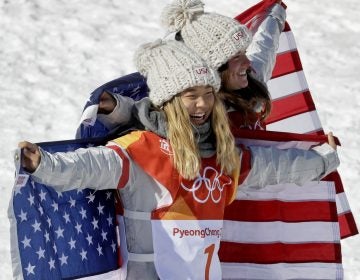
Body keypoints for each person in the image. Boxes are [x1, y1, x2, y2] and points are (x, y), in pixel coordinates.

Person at [18, 39, 339, 280]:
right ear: (169, 101)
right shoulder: (142, 148)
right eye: (190, 96)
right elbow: (89, 167)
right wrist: (45, 164)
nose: (201, 104)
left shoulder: (221, 153)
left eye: (208, 93)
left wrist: (322, 159)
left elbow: (273, 167)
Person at [96, 0, 286, 131]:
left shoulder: (252, 80)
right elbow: (148, 116)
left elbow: (264, 48)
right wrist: (115, 108)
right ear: (214, 67)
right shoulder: (196, 106)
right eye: (236, 57)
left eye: (244, 52)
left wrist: (274, 16)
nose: (248, 62)